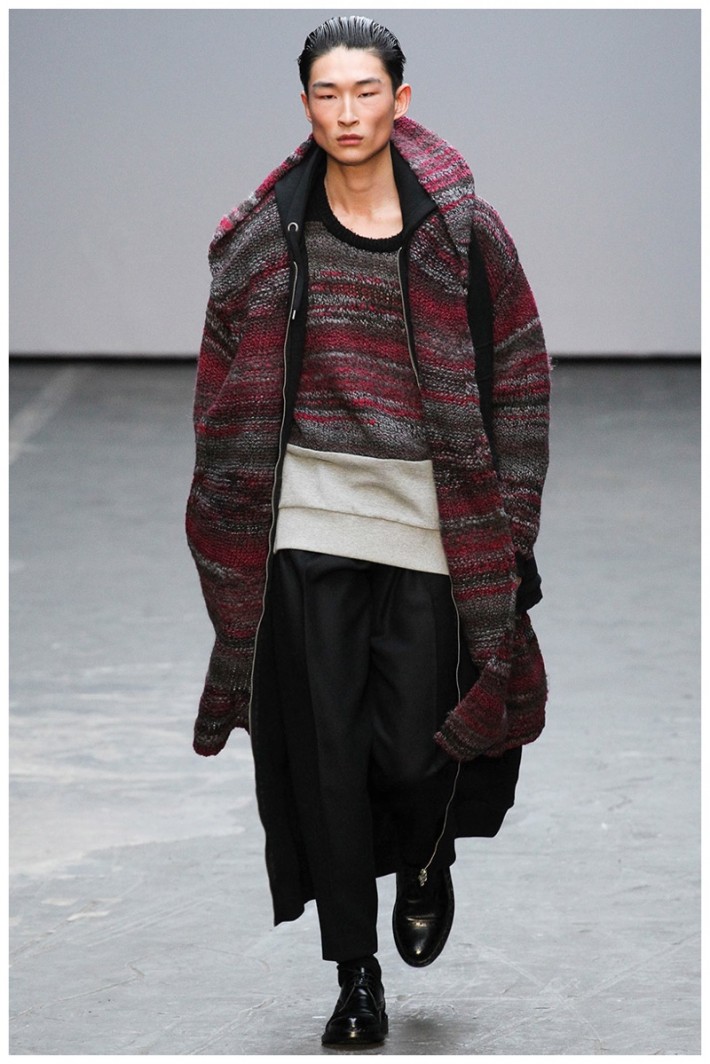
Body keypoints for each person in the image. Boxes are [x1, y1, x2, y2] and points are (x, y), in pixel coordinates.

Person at [186, 15, 550, 1049]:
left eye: (364, 90)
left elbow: (519, 371)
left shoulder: (463, 231)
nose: (346, 112)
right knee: (327, 760)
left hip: (431, 525)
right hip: (306, 519)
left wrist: (511, 521)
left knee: (413, 750)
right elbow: (222, 380)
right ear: (305, 103)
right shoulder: (263, 236)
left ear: (400, 97)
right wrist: (230, 506)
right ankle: (355, 975)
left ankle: (425, 859)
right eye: (326, 93)